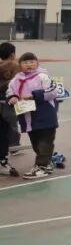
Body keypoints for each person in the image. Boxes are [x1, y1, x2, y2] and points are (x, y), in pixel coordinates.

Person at [5, 52, 66, 178]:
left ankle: (42, 166)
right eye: (25, 62)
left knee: (45, 142)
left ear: (37, 63)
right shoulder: (16, 80)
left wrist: (34, 95)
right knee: (36, 143)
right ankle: (47, 163)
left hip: (45, 116)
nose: (29, 65)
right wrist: (12, 97)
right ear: (20, 65)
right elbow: (10, 91)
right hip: (28, 118)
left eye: (32, 62)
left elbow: (53, 92)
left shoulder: (43, 76)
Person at [0, 41, 22, 170]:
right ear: (13, 54)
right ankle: (14, 145)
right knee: (12, 122)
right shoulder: (16, 66)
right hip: (10, 99)